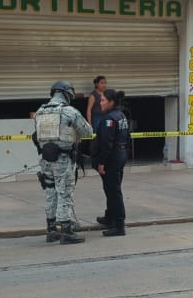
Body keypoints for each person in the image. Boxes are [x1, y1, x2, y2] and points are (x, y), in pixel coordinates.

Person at [34, 80, 93, 244]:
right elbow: (88, 131)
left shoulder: (40, 111)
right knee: (65, 192)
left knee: (50, 192)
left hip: (45, 159)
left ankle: (51, 230)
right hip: (62, 159)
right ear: (67, 94)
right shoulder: (69, 111)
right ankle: (66, 231)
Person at [91, 89, 129, 237]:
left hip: (112, 159)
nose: (100, 103)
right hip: (120, 155)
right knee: (111, 189)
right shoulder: (121, 116)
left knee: (113, 191)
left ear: (111, 102)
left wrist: (101, 163)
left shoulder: (109, 119)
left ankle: (119, 225)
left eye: (102, 100)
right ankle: (109, 217)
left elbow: (106, 144)